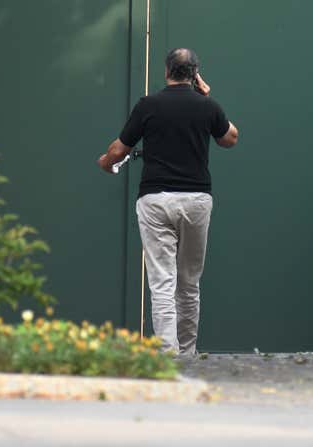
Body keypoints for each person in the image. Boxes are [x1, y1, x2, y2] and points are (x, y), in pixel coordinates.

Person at [97, 48, 239, 354]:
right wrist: (206, 96)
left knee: (162, 280)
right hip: (196, 200)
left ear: (166, 72)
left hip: (156, 200)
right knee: (189, 282)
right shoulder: (207, 105)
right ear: (195, 74)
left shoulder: (149, 105)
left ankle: (167, 353)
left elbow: (119, 150)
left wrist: (106, 162)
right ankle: (187, 352)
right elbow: (230, 138)